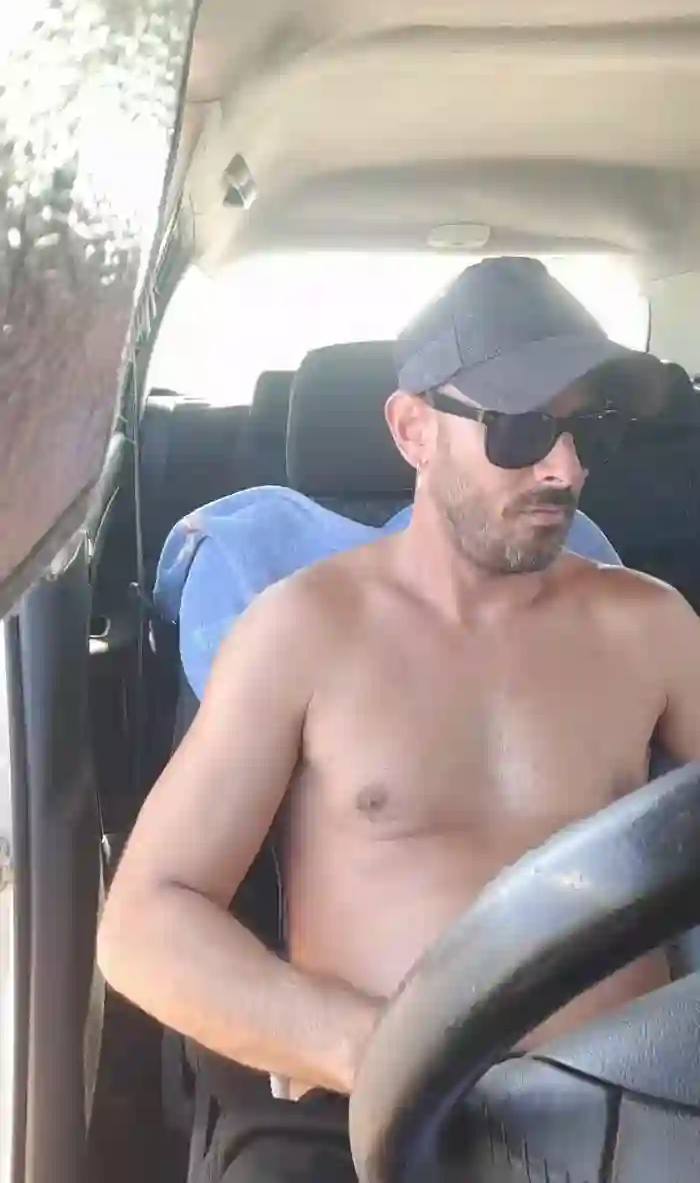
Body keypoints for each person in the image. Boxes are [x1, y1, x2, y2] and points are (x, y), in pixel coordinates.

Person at [97, 258, 700, 1180]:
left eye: (587, 430)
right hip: (381, 1125)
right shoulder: (302, 631)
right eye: (521, 428)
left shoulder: (651, 624)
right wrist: (366, 1048)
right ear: (413, 429)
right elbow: (144, 923)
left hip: (638, 1118)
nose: (565, 468)